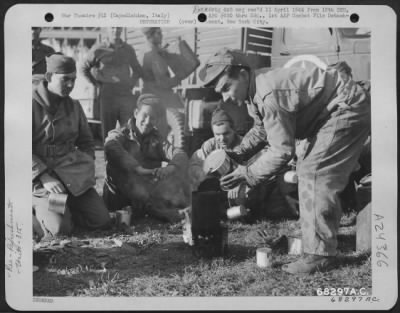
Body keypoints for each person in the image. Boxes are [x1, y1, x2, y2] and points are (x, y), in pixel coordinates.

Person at [199, 48, 370, 274]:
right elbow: (262, 130)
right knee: (310, 168)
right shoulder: (255, 89)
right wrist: (238, 153)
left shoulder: (267, 93)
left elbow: (281, 151)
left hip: (345, 107)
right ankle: (318, 242)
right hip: (330, 112)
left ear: (241, 74)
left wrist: (246, 174)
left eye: (226, 88)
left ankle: (319, 255)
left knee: (313, 171)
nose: (225, 97)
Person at [32, 54, 111, 238]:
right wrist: (44, 176)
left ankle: (63, 210)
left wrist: (82, 169)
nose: (70, 85)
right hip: (45, 181)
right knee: (59, 229)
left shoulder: (74, 106)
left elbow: (86, 143)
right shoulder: (30, 105)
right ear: (50, 77)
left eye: (73, 80)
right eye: (65, 79)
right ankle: (35, 209)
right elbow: (19, 149)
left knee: (101, 220)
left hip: (71, 177)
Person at [103, 94, 190, 223]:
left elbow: (179, 154)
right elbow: (110, 146)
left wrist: (171, 167)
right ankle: (159, 211)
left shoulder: (155, 138)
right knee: (120, 171)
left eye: (153, 118)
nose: (148, 121)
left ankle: (162, 209)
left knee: (179, 177)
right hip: (120, 196)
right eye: (145, 116)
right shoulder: (120, 134)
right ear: (136, 113)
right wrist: (137, 168)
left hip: (146, 190)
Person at [82, 27, 143, 142]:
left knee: (129, 131)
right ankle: (109, 159)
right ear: (108, 29)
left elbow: (138, 70)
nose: (116, 30)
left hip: (125, 95)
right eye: (113, 27)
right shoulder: (99, 49)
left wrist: (130, 83)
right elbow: (84, 68)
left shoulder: (128, 49)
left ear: (122, 29)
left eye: (118, 27)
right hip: (108, 95)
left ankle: (127, 159)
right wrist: (97, 84)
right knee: (108, 133)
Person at [141, 27, 186, 110]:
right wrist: (177, 79)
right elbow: (162, 82)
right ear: (151, 37)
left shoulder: (159, 52)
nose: (162, 35)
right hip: (154, 96)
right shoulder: (150, 55)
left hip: (159, 93)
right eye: (158, 33)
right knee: (181, 111)